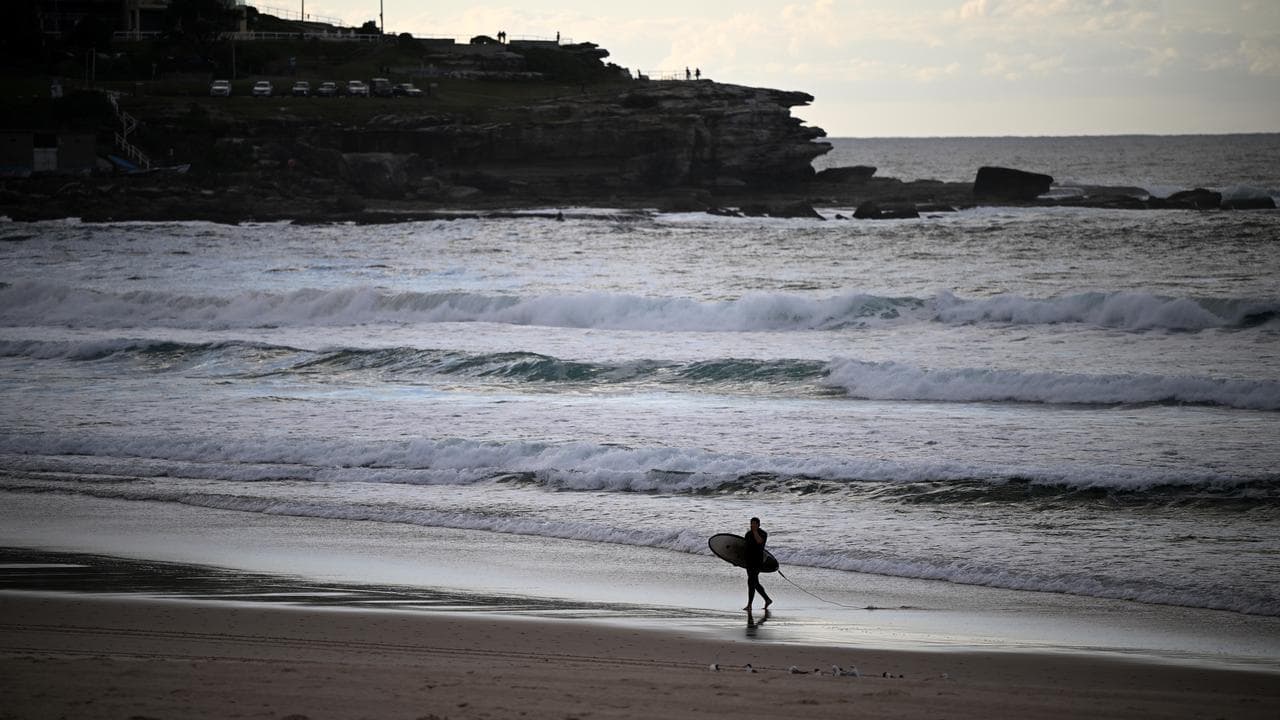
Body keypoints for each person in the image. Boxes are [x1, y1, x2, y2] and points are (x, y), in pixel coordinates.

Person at [743, 517, 772, 611]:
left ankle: (749, 605)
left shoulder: (763, 534)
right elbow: (744, 548)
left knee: (751, 582)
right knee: (754, 582)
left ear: (758, 525)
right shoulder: (748, 534)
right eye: (751, 523)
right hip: (749, 561)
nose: (752, 525)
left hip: (758, 561)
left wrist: (755, 532)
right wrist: (737, 561)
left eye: (755, 524)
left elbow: (760, 542)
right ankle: (767, 599)